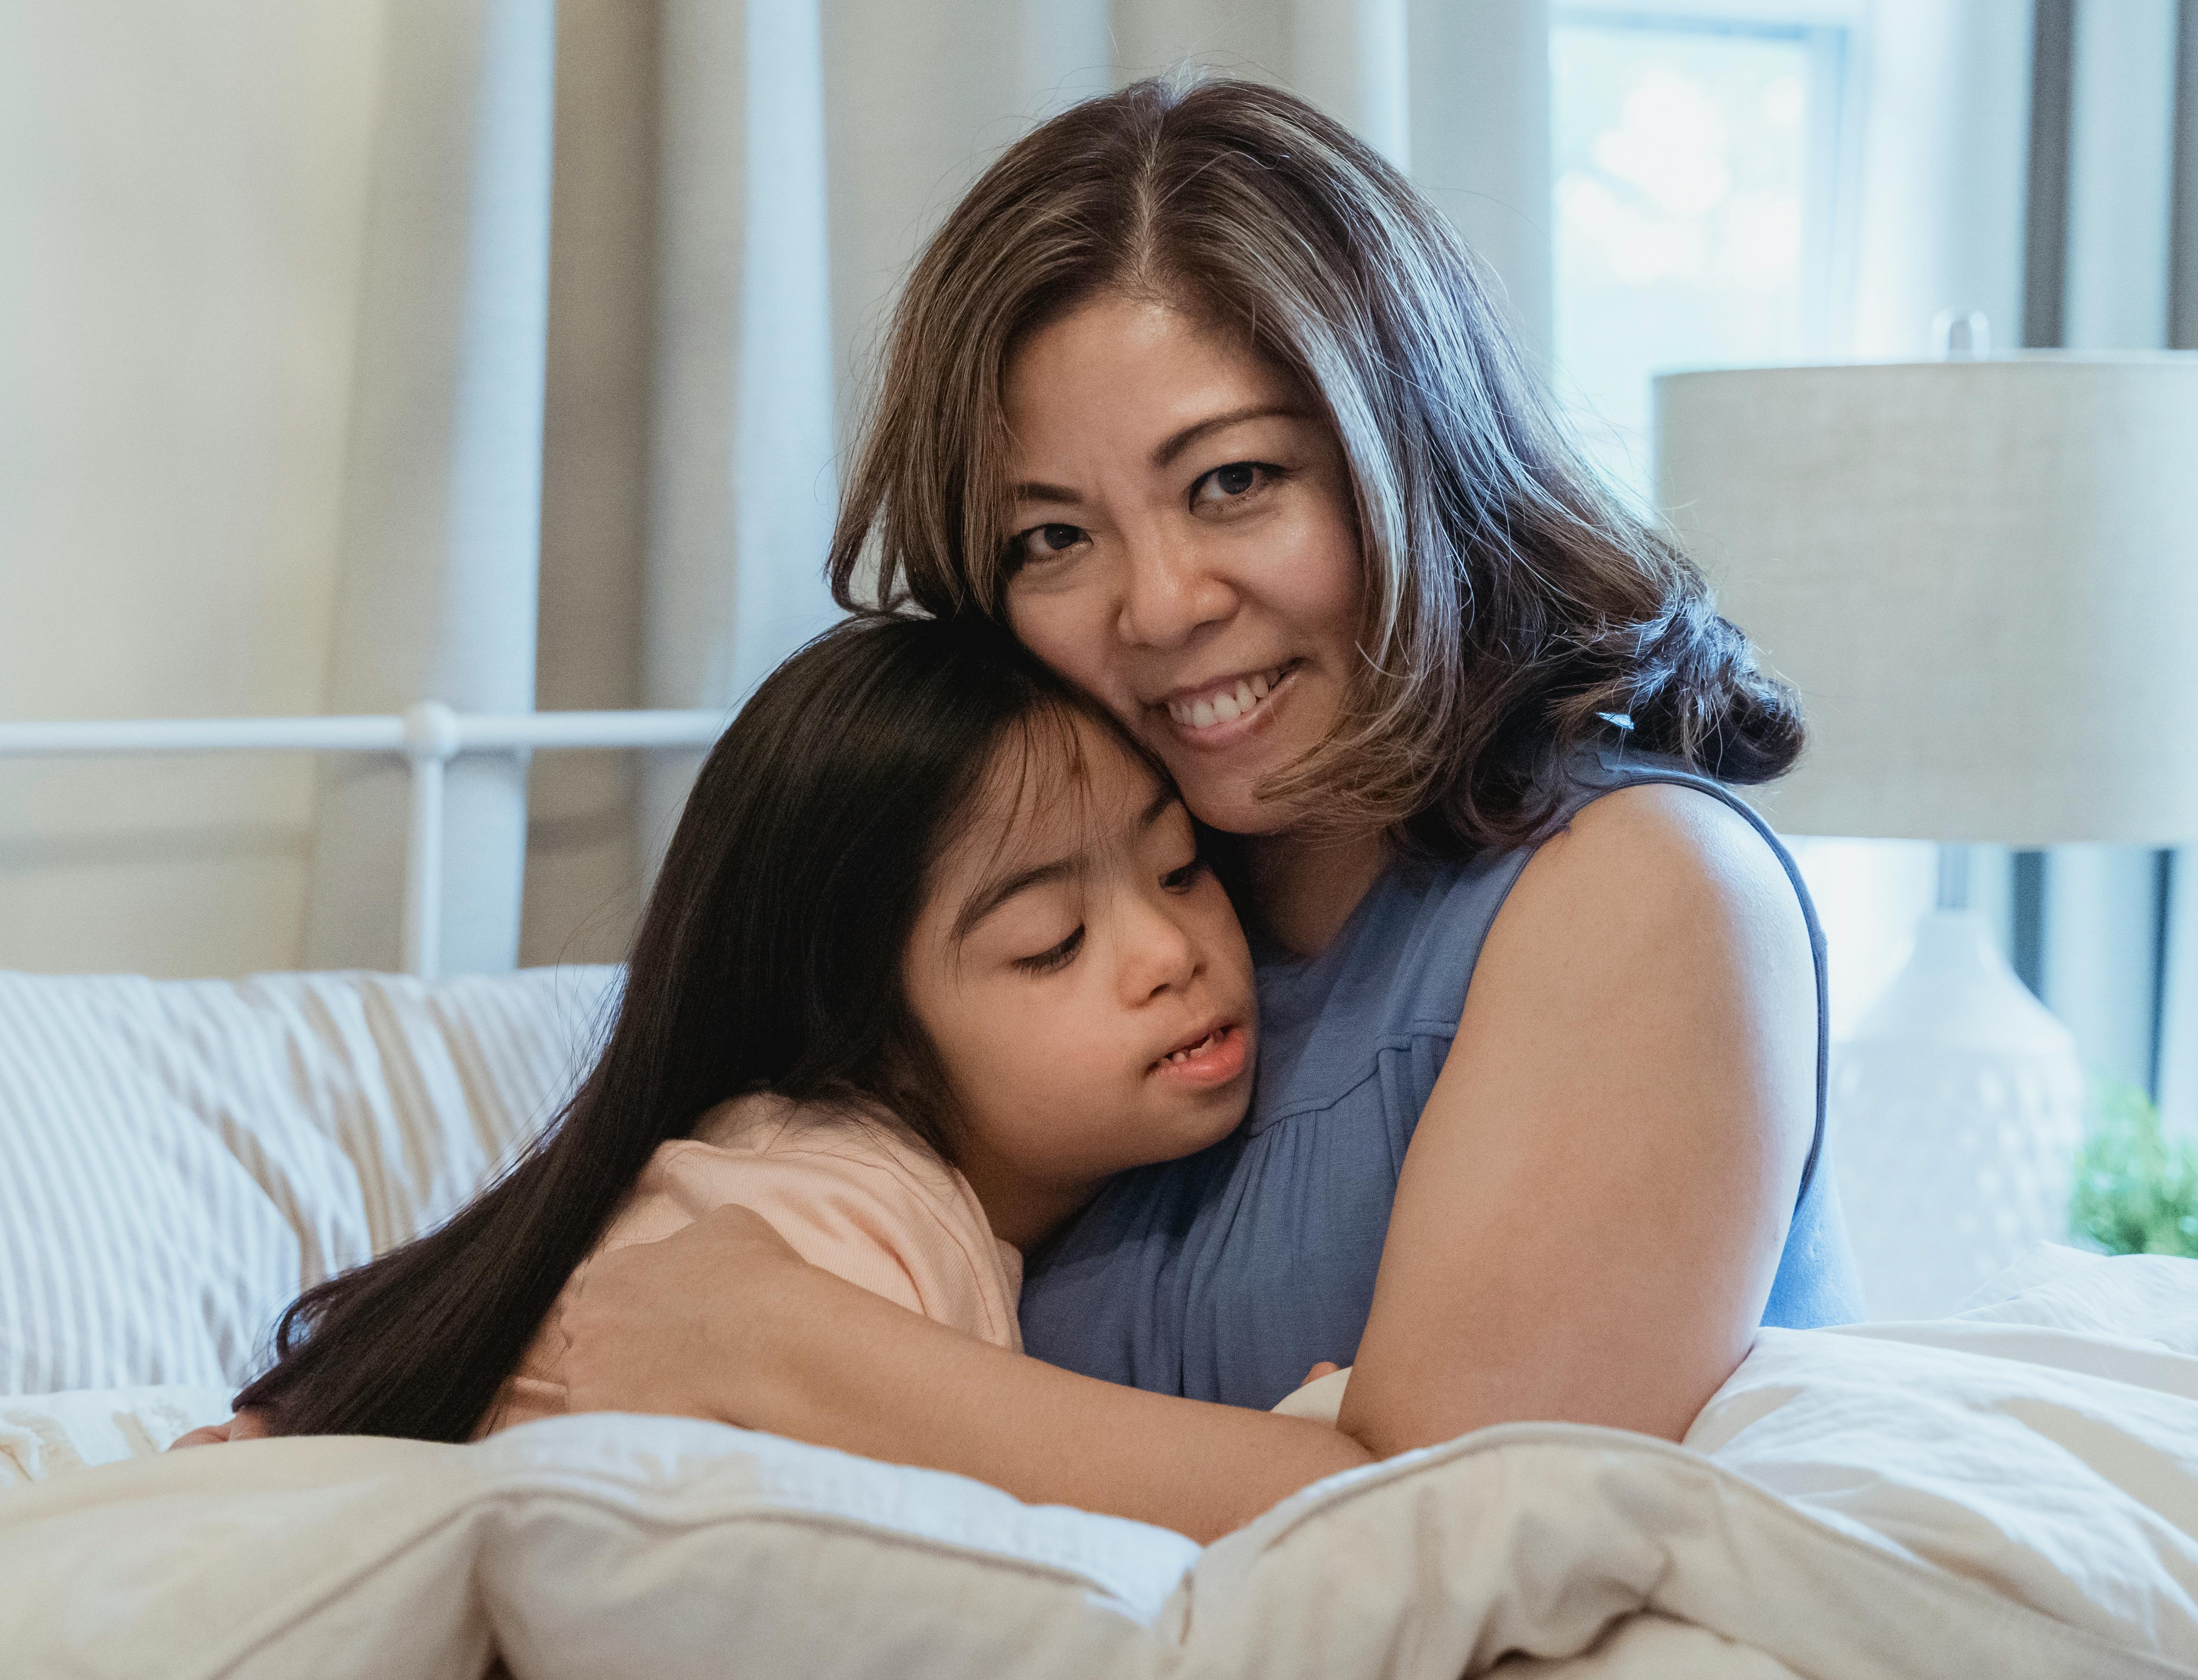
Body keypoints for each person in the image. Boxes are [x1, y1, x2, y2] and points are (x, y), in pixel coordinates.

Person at [546, 74, 1863, 1542]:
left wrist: (779, 1343)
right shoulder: (1087, 928)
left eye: (1234, 481)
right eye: (1053, 536)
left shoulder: (1639, 889)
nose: (1160, 607)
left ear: (1410, 462)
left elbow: (1472, 1538)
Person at [177, 612, 1275, 1447]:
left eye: (1179, 868)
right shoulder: (826, 1221)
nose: (1169, 952)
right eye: (1054, 940)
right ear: (869, 1032)